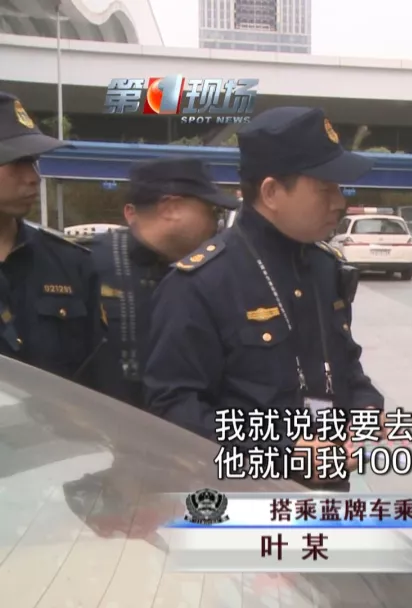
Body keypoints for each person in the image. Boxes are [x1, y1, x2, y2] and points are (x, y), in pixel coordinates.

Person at [141, 107, 384, 491]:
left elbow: (345, 366)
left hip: (328, 493)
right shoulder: (201, 283)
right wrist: (280, 452)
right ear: (271, 193)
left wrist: (366, 409)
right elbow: (172, 409)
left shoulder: (324, 267)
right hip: (242, 500)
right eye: (325, 188)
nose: (340, 201)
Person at [88, 157, 240, 407]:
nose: (217, 224)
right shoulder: (87, 264)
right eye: (211, 211)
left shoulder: (214, 273)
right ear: (171, 208)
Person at [0, 91, 109, 389]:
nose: (34, 177)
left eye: (34, 162)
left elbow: (97, 383)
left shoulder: (70, 264)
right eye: (18, 162)